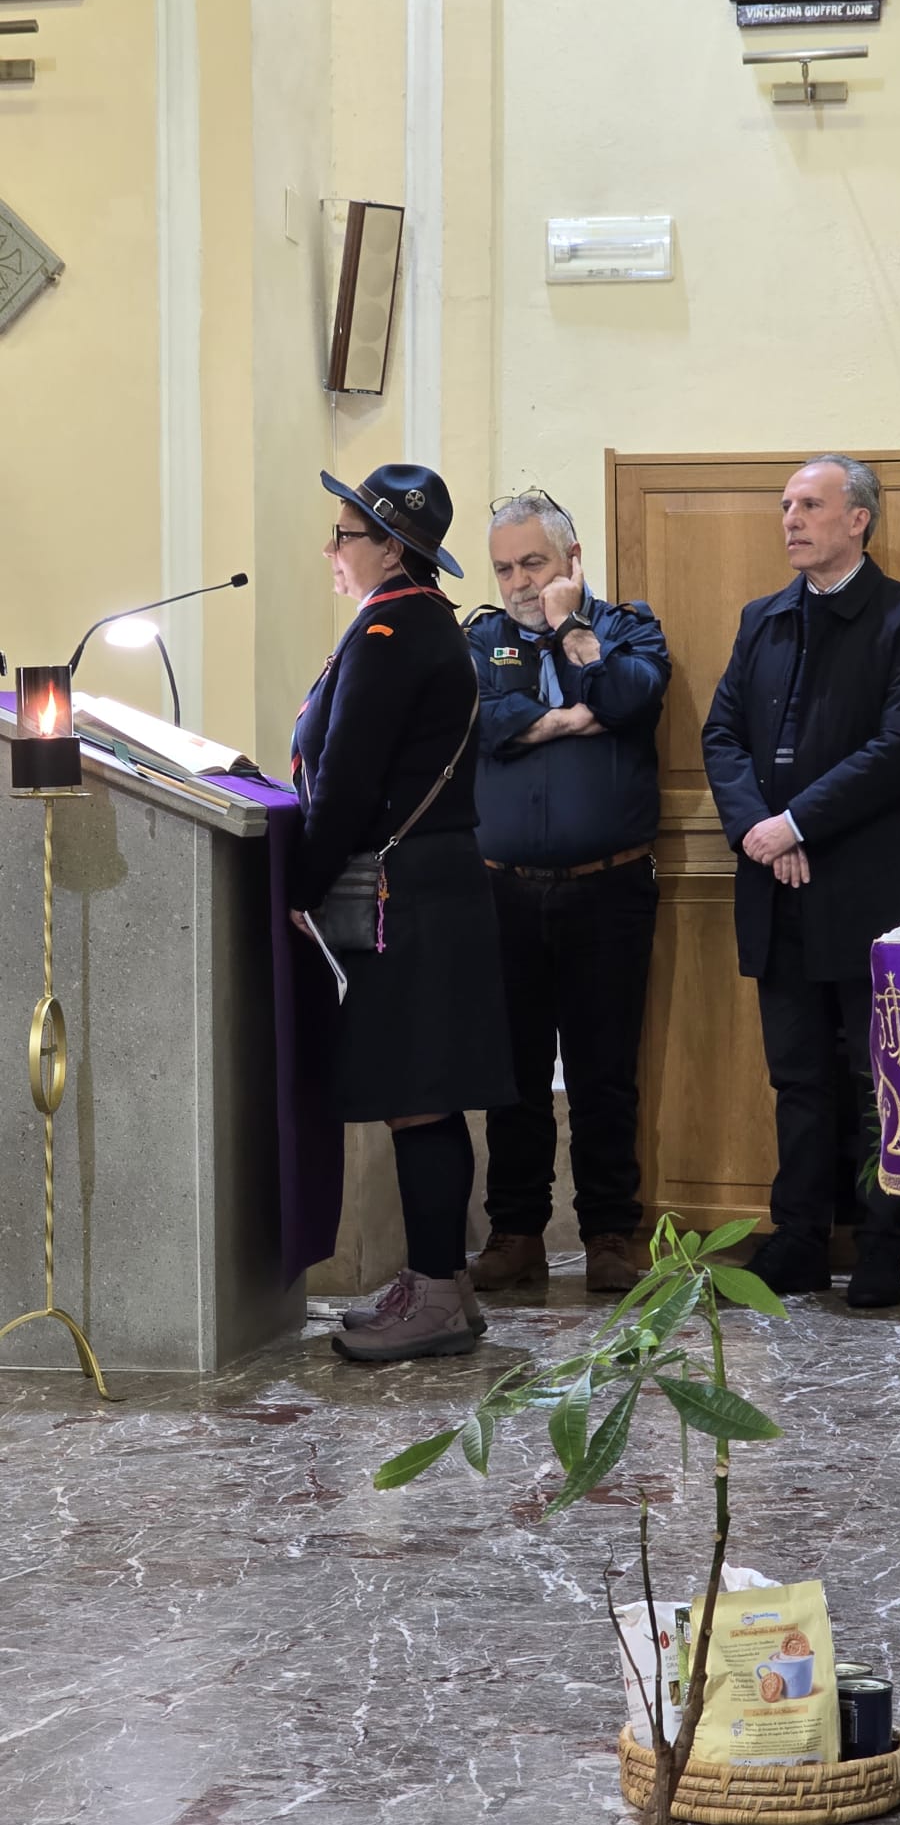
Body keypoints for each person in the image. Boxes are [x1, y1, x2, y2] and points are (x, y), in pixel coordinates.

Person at [289, 463, 515, 1363]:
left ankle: (436, 1296)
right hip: (427, 883)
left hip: (410, 891)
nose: (331, 550)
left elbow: (347, 779)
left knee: (419, 1096)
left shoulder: (392, 629)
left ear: (391, 547)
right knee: (420, 1094)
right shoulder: (409, 621)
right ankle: (439, 1285)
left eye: (344, 534)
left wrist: (301, 886)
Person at [702, 454, 900, 1310]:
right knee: (796, 1077)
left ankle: (880, 1246)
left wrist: (796, 824)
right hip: (779, 889)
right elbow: (722, 734)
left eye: (809, 505)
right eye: (786, 505)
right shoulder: (763, 618)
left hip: (870, 892)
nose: (790, 518)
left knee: (879, 1079)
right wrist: (761, 832)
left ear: (858, 518)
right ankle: (797, 1240)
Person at [465, 489, 670, 1295]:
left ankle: (610, 1234)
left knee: (603, 1072)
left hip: (607, 889)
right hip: (503, 894)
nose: (519, 582)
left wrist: (572, 632)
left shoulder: (628, 628)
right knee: (511, 1074)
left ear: (572, 559)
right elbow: (481, 725)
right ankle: (516, 1233)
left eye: (534, 563)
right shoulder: (479, 639)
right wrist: (564, 717)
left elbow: (627, 698)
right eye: (505, 568)